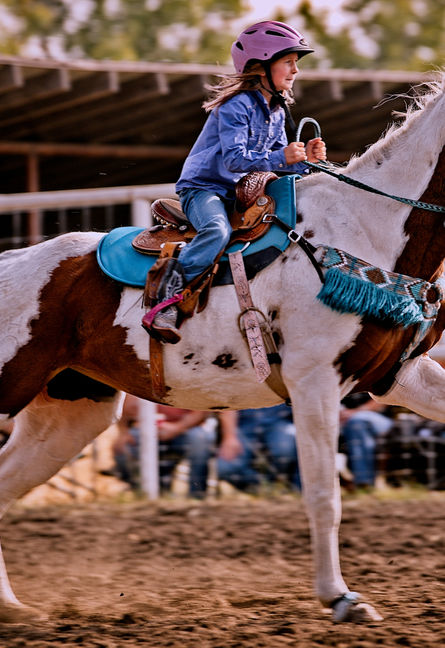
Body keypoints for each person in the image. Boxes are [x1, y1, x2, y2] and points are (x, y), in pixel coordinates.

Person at [146, 21, 327, 342]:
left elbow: (278, 167)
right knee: (217, 231)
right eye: (288, 61)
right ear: (261, 67)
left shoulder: (276, 111)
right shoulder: (236, 106)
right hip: (204, 190)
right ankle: (165, 301)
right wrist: (284, 157)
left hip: (238, 196)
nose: (295, 70)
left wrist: (306, 163)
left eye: (296, 63)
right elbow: (235, 160)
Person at [112, 395, 241, 499]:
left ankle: (197, 495)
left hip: (187, 429)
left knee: (200, 439)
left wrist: (177, 428)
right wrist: (124, 432)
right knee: (123, 447)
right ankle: (140, 492)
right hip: (149, 429)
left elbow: (203, 410)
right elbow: (126, 405)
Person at [217, 405, 299, 492]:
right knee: (224, 467)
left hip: (279, 421)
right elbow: (228, 404)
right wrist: (230, 437)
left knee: (285, 450)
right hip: (243, 424)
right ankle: (263, 486)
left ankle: (284, 484)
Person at [339, 393, 393, 490]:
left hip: (378, 418)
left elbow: (383, 401)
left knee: (356, 422)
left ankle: (364, 482)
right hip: (346, 420)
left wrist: (354, 412)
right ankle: (307, 489)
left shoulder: (370, 378)